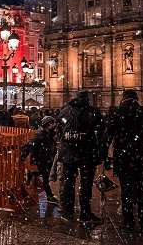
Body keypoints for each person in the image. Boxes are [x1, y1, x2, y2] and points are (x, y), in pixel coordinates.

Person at [105, 90, 143, 233]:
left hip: (123, 157)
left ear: (124, 98)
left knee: (126, 191)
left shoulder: (117, 112)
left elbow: (108, 134)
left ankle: (129, 223)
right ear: (136, 98)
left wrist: (105, 157)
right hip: (141, 156)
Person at [56, 91, 104, 223]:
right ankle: (85, 213)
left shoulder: (64, 111)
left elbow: (59, 130)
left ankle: (67, 211)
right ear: (87, 99)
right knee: (86, 184)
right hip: (86, 153)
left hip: (68, 153)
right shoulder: (93, 112)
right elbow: (100, 133)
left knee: (68, 183)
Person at [21, 115, 58, 203]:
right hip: (41, 160)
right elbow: (30, 145)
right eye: (53, 124)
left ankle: (30, 185)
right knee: (45, 178)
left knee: (41, 176)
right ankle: (49, 196)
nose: (54, 127)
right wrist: (23, 155)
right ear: (48, 124)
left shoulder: (47, 134)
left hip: (45, 159)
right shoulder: (40, 135)